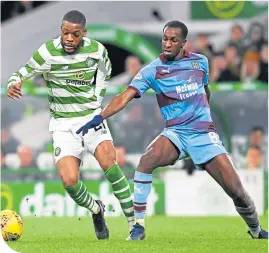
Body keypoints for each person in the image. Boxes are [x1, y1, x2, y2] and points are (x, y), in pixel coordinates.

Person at [76, 20, 268, 240]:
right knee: (147, 160)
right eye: (165, 39)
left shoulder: (200, 63)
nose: (167, 43)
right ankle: (138, 226)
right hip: (175, 133)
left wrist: (203, 115)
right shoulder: (152, 70)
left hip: (203, 135)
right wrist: (100, 116)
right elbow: (124, 97)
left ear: (183, 43)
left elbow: (205, 91)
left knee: (237, 192)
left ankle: (256, 230)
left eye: (173, 40)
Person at [6, 10, 135, 240]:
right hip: (63, 125)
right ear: (61, 30)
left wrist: (98, 98)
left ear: (83, 33)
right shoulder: (47, 53)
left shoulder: (96, 50)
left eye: (74, 35)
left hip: (91, 118)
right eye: (65, 33)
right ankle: (97, 209)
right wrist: (13, 83)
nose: (68, 39)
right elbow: (21, 72)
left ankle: (135, 225)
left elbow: (106, 70)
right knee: (69, 181)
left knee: (110, 163)